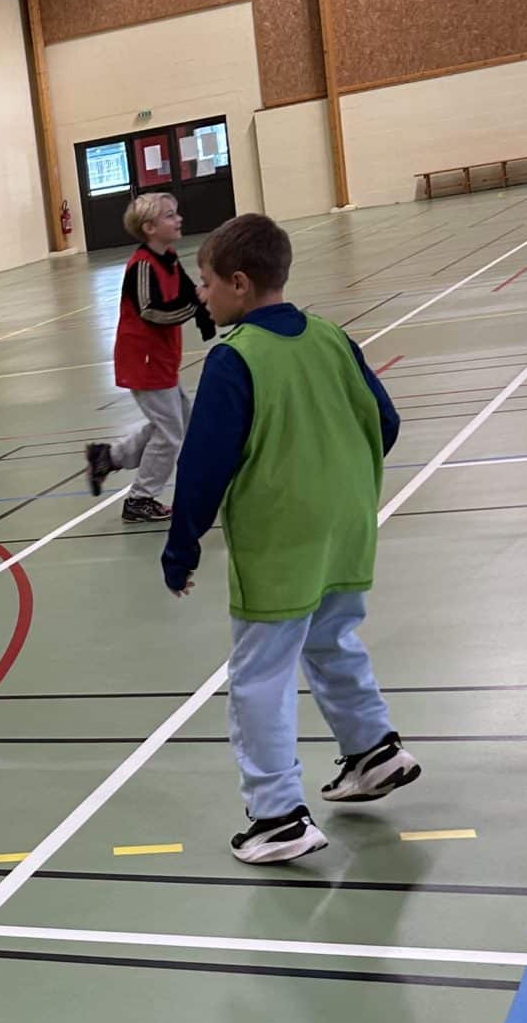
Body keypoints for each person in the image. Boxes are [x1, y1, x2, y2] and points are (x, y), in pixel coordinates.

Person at [162, 213, 420, 865]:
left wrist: (182, 545)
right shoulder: (332, 337)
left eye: (207, 283)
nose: (202, 296)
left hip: (281, 539)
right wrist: (339, 477)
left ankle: (277, 815)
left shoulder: (235, 358)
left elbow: (204, 465)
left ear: (239, 284)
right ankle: (373, 750)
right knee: (332, 637)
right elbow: (385, 422)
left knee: (261, 674)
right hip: (347, 526)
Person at [86, 190, 216, 522]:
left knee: (176, 423)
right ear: (149, 227)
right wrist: (194, 308)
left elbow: (188, 293)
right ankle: (140, 498)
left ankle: (109, 457)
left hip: (162, 358)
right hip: (143, 360)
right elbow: (151, 311)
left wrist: (205, 314)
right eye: (170, 215)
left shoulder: (168, 256)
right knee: (170, 432)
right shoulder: (142, 265)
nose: (179, 219)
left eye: (176, 213)